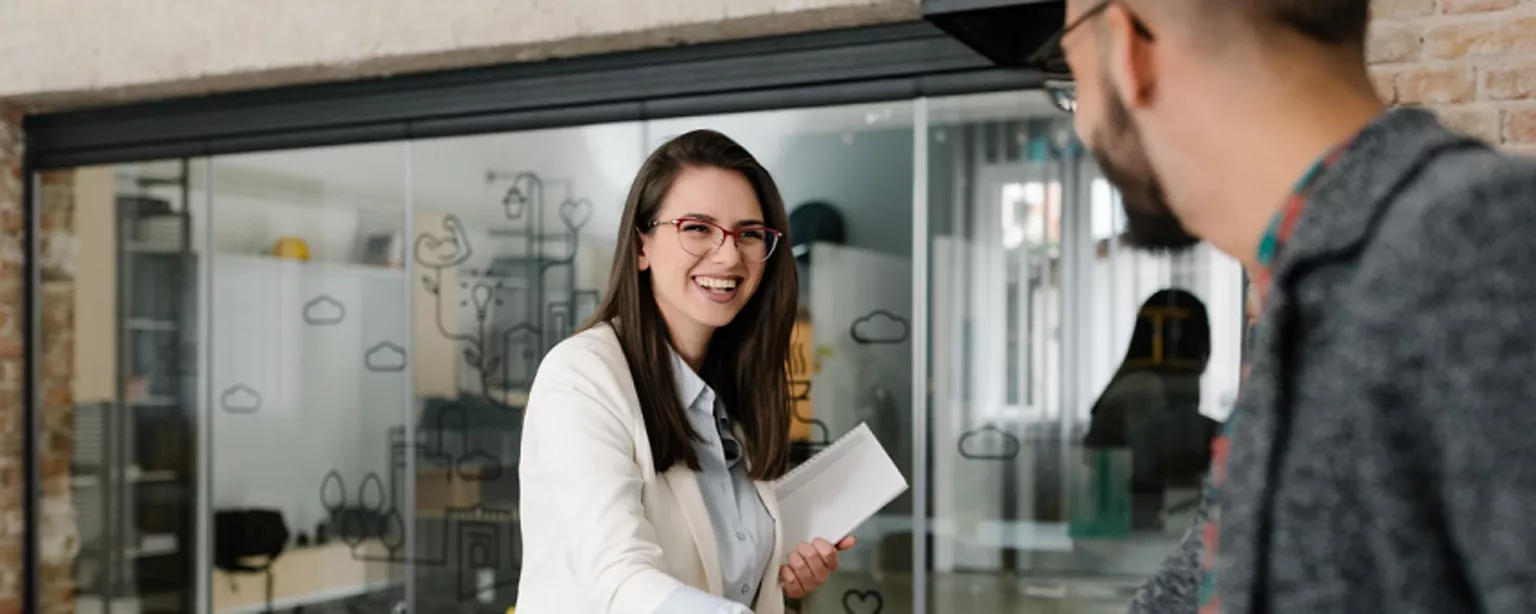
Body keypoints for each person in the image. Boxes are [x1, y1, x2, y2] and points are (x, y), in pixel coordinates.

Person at [1031, 0, 1536, 613]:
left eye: (1073, 80)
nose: (1082, 125)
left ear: (1129, 47)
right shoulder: (1308, 297)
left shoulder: (1482, 246)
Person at [516, 129, 854, 614]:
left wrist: (780, 576)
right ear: (641, 247)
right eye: (697, 227)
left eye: (750, 234)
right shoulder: (582, 376)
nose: (728, 254)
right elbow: (619, 577)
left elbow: (718, 573)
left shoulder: (734, 394)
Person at [1084, 288, 1219, 531]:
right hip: (1118, 532)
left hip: (1131, 526)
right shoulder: (1143, 385)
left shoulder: (1145, 382)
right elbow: (1156, 458)